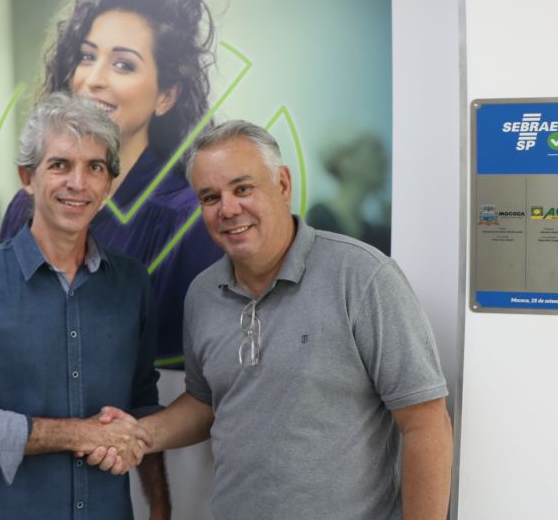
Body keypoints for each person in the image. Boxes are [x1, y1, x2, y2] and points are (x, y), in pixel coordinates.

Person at [89, 121, 453, 519]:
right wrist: (139, 434)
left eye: (243, 188)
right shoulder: (202, 294)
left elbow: (426, 424)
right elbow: (206, 402)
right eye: (210, 197)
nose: (228, 209)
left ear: (282, 185)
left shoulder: (364, 277)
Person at [0, 93, 168, 519]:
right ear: (28, 177)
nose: (78, 183)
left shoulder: (132, 283)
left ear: (109, 184)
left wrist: (160, 507)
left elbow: (142, 405)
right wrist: (77, 433)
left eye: (95, 167)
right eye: (59, 165)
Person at [0, 0, 224, 367]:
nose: (93, 80)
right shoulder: (25, 206)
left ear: (166, 96)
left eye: (123, 65)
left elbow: (193, 373)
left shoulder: (186, 223)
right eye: (87, 57)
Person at [305, 129, 391, 254]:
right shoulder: (319, 219)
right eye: (375, 150)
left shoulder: (378, 233)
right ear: (346, 161)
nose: (384, 159)